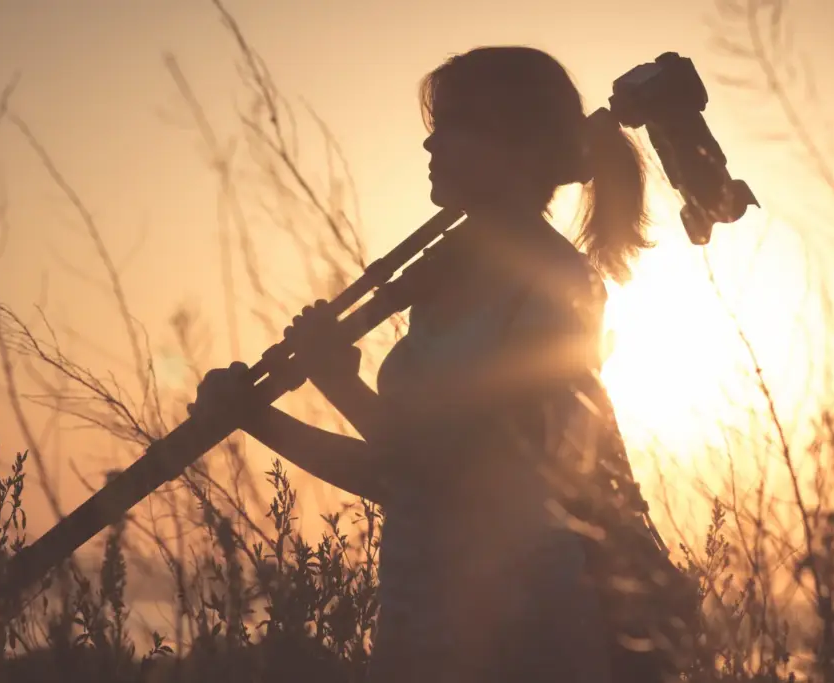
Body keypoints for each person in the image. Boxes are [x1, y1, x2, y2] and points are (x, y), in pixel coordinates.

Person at [188, 46, 689, 683]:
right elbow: (408, 482)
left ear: (516, 142)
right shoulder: (457, 276)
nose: (431, 146)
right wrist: (256, 419)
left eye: (452, 125)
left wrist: (336, 382)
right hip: (425, 625)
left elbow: (443, 473)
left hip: (522, 637)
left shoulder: (554, 282)